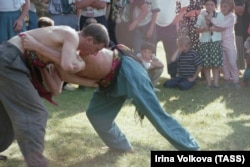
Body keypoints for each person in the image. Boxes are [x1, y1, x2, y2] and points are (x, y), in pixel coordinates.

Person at [22, 36, 200, 151]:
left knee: (154, 113)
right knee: (96, 114)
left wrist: (37, 46)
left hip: (126, 70)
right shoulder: (56, 67)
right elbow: (57, 90)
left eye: (40, 58)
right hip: (108, 82)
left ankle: (191, 149)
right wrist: (46, 69)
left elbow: (71, 61)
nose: (42, 61)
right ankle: (121, 146)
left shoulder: (66, 46)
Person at [0, 23, 109, 167]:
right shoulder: (70, 34)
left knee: (6, 116)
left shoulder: (65, 48)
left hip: (8, 60)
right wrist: (39, 48)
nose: (94, 54)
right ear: (89, 40)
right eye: (96, 49)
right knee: (35, 114)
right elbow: (67, 65)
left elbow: (58, 86)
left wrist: (87, 74)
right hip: (9, 58)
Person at [208, 0, 239, 88]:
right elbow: (217, 26)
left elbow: (222, 25)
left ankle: (236, 80)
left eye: (225, 6)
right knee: (224, 63)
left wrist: (212, 20)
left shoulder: (232, 16)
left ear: (230, 7)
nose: (223, 8)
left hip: (229, 43)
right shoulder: (219, 15)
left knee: (232, 62)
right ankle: (227, 79)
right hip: (220, 42)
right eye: (222, 6)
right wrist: (214, 26)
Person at [155, 0, 189, 78]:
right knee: (151, 51)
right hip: (154, 24)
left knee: (171, 52)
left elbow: (185, 4)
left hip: (170, 26)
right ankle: (151, 76)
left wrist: (178, 17)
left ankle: (173, 76)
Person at [195, 0, 224, 88]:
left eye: (212, 4)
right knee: (206, 64)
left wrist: (213, 28)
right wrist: (204, 29)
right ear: (204, 5)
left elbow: (222, 28)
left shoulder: (219, 15)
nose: (209, 6)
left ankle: (216, 82)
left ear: (215, 5)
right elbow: (196, 30)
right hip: (205, 41)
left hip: (215, 41)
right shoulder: (201, 16)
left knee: (215, 64)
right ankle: (208, 82)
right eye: (207, 4)